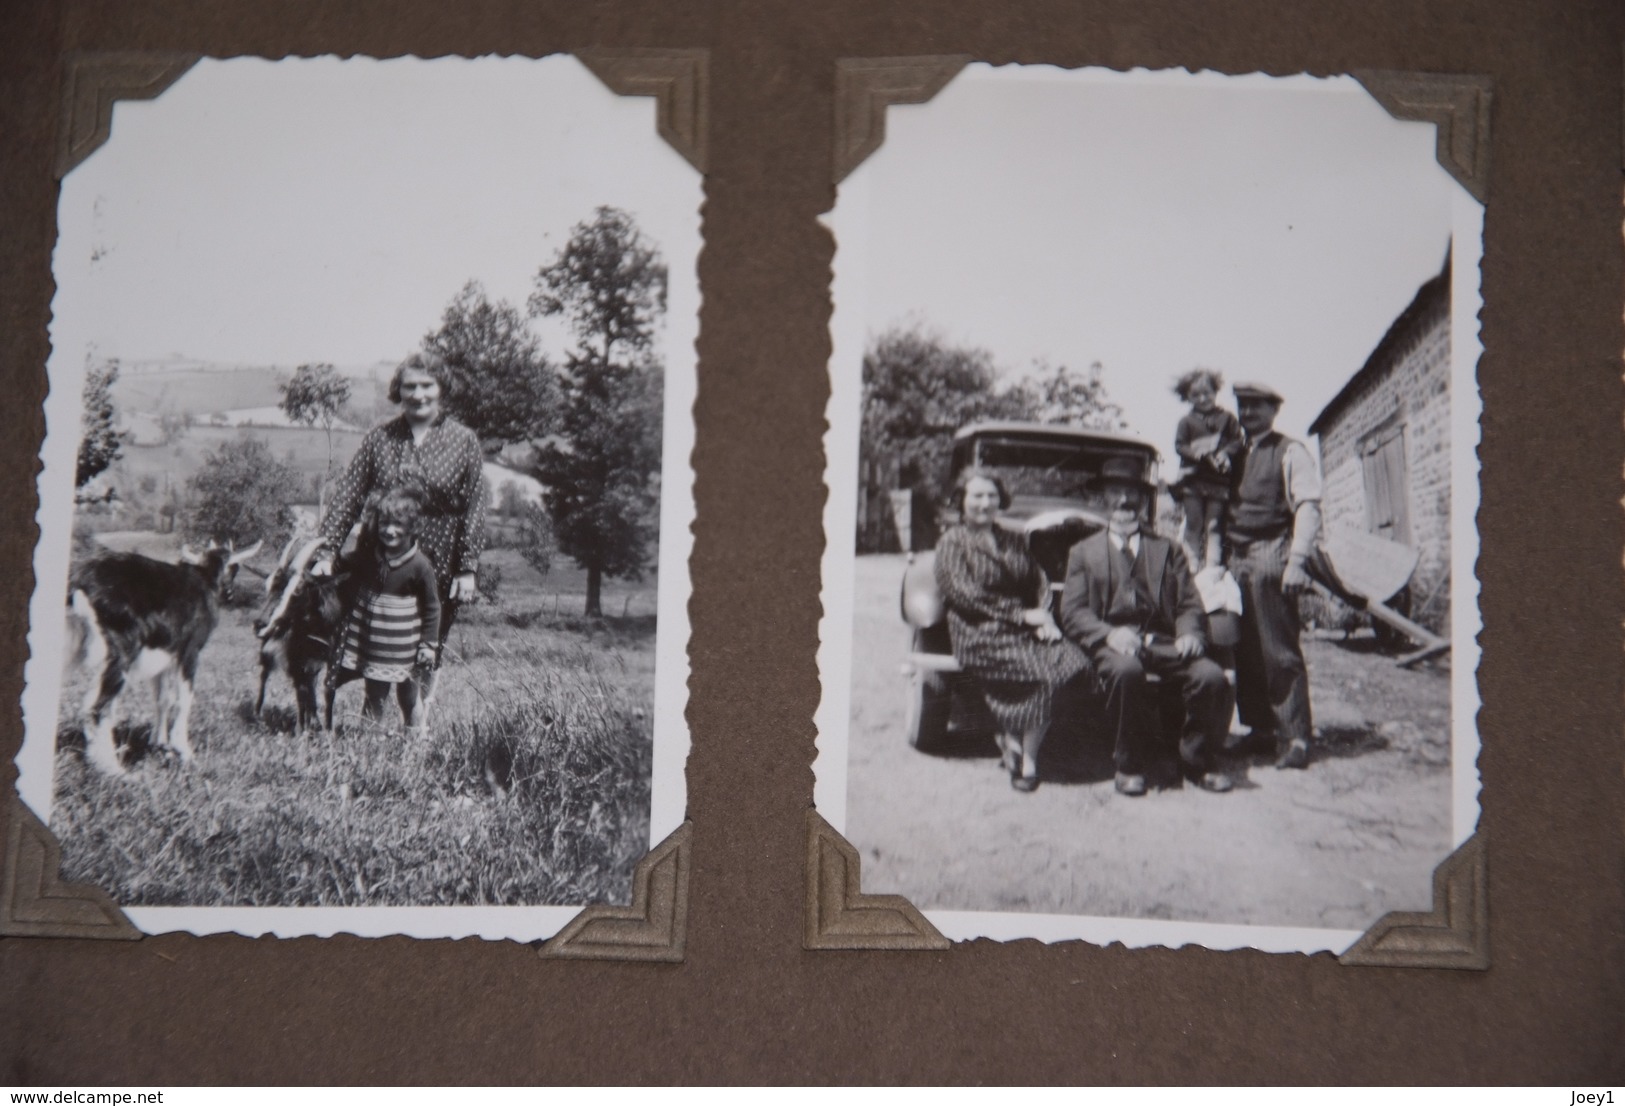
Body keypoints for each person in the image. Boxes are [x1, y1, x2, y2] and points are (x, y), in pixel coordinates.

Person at [313, 351, 488, 710]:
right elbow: (349, 494)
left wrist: (467, 566)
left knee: (430, 638)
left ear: (441, 389)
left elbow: (474, 504)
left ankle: (418, 719)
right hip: (380, 558)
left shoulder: (464, 440)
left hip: (439, 558)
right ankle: (372, 712)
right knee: (377, 633)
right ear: (399, 390)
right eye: (410, 386)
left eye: (427, 385)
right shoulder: (381, 438)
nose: (418, 394)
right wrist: (327, 549)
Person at [1059, 456, 1232, 797]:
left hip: (1163, 642)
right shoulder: (1083, 552)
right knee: (1126, 672)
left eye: (1131, 495)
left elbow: (1189, 604)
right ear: (1101, 500)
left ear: (1142, 503)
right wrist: (1109, 633)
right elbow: (1073, 612)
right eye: (1114, 493)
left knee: (1210, 677)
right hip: (1112, 644)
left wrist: (1189, 633)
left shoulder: (1168, 549)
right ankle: (1128, 765)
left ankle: (1195, 761)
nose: (1123, 502)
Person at [933, 467, 1092, 792]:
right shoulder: (951, 542)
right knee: (1044, 675)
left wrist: (1044, 615)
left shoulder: (1012, 538)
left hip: (1021, 628)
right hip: (979, 631)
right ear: (962, 500)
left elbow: (1038, 579)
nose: (985, 503)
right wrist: (1022, 616)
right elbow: (965, 595)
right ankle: (1026, 760)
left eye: (991, 495)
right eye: (977, 495)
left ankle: (1013, 739)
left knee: (1076, 665)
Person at [1226, 382, 1322, 770]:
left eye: (1255, 406)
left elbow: (1308, 506)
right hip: (1235, 555)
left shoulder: (1290, 451)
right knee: (1243, 648)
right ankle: (1260, 730)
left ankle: (1295, 737)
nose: (1248, 414)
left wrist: (1297, 559)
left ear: (1274, 410)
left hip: (1271, 552)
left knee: (1277, 648)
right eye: (1242, 407)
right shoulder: (1233, 452)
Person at [330, 481, 441, 735]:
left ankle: (414, 735)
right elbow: (343, 564)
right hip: (373, 641)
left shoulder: (420, 565)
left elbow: (432, 607)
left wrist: (428, 644)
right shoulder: (370, 556)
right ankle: (370, 740)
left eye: (398, 525)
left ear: (413, 528)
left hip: (404, 643)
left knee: (409, 694)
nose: (389, 531)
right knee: (375, 691)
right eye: (384, 524)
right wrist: (327, 559)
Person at [1171, 368, 1244, 571]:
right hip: (1193, 479)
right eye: (1195, 395)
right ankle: (1191, 565)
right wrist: (1198, 454)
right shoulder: (1186, 422)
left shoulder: (1227, 418)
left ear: (1215, 392)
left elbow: (1238, 440)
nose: (1202, 398)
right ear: (1187, 397)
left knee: (1213, 525)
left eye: (1207, 393)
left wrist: (1226, 453)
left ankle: (1213, 565)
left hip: (1218, 479)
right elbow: (1180, 446)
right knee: (1194, 523)